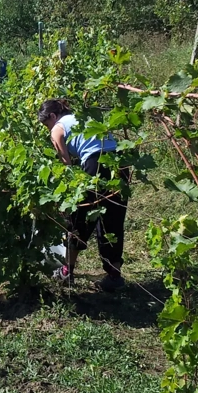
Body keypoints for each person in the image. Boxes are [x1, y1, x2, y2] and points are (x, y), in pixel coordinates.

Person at [38, 98, 128, 291]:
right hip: (120, 162)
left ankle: (66, 271)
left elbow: (67, 166)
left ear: (53, 116)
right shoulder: (82, 117)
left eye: (47, 124)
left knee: (79, 218)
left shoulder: (57, 128)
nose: (48, 129)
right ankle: (114, 276)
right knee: (112, 220)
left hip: (96, 165)